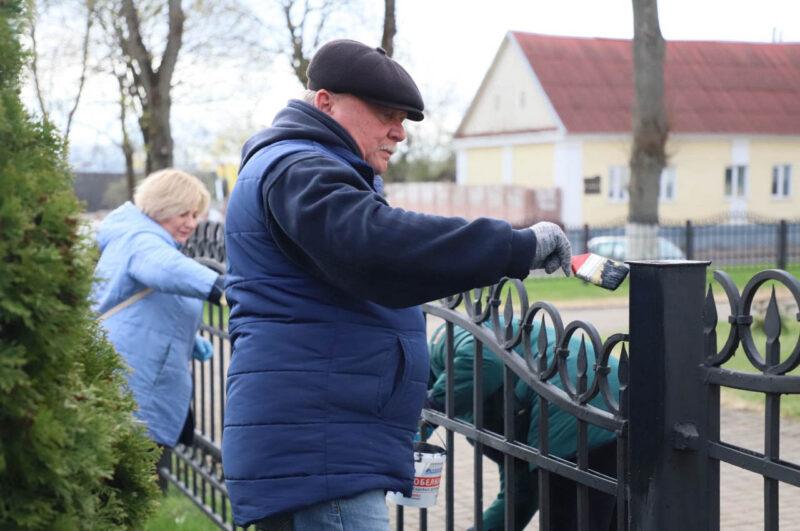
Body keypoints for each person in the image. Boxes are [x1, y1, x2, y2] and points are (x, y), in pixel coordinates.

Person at [222, 38, 573, 530]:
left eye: (404, 118)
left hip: (319, 443)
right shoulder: (300, 168)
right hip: (321, 452)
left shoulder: (307, 166)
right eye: (385, 113)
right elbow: (378, 247)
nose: (399, 132)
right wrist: (514, 247)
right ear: (325, 102)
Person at [91, 169, 225, 482]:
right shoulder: (142, 241)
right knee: (131, 491)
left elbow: (149, 306)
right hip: (133, 394)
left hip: (133, 383)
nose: (192, 223)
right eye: (183, 213)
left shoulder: (135, 236)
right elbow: (165, 269)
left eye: (196, 214)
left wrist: (190, 342)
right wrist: (220, 287)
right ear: (161, 207)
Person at [426, 319, 619, 531]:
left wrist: (432, 405)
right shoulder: (479, 399)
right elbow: (520, 494)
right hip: (616, 399)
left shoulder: (445, 339)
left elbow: (486, 360)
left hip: (575, 406)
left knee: (574, 517)